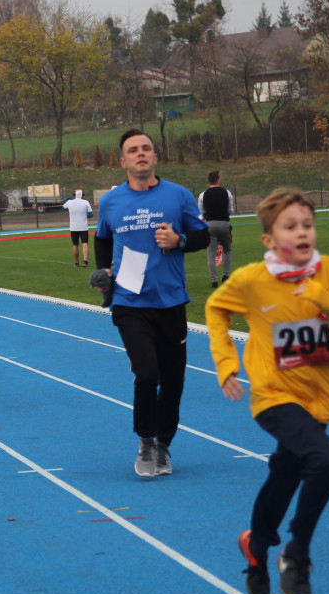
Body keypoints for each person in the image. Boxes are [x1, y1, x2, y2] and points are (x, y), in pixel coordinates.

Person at [205, 188, 329, 594]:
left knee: (285, 475)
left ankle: (256, 549)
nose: (302, 233)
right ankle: (296, 554)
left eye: (307, 225)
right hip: (274, 396)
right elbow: (215, 308)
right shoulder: (250, 281)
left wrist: (323, 299)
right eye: (290, 226)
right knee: (328, 461)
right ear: (269, 239)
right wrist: (226, 363)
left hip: (321, 398)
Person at [91, 129, 209, 477]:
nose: (141, 153)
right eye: (133, 150)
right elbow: (101, 240)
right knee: (147, 372)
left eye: (147, 148)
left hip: (171, 301)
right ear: (123, 160)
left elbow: (203, 235)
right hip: (129, 301)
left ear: (155, 157)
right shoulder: (111, 201)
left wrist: (179, 239)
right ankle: (145, 439)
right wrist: (103, 274)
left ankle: (163, 445)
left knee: (173, 380)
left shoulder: (179, 195)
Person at [198, 170, 235, 287]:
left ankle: (214, 281)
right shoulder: (227, 193)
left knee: (211, 254)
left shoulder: (203, 195)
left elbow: (201, 212)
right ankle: (225, 276)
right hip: (224, 224)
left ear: (209, 181)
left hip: (210, 225)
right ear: (218, 180)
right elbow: (230, 210)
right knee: (227, 250)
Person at [63, 189, 93, 267]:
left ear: (75, 194)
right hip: (83, 227)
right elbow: (91, 214)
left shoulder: (69, 202)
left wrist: (71, 211)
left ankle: (76, 263)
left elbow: (63, 207)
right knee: (85, 243)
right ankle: (85, 261)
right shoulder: (86, 202)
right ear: (82, 195)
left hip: (73, 227)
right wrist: (84, 216)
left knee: (75, 244)